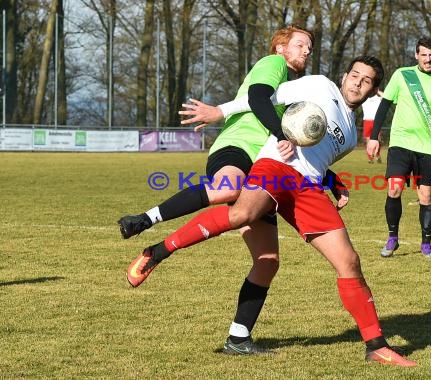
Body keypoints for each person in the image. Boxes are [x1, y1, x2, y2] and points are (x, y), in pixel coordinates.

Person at [125, 56, 417, 367]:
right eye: (354, 75)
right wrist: (221, 112)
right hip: (274, 166)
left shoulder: (349, 135)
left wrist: (333, 181)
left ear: (373, 90)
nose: (357, 82)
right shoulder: (318, 84)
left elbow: (315, 157)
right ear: (345, 75)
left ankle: (376, 345)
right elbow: (260, 98)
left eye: (366, 80)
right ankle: (159, 250)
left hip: (308, 188)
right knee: (242, 214)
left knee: (348, 260)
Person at [119, 25, 314, 355]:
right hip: (237, 148)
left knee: (267, 261)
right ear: (281, 48)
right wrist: (279, 134)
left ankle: (238, 338)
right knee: (228, 188)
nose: (307, 51)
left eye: (310, 47)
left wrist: (221, 111)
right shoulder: (273, 63)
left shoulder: (294, 86)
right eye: (300, 44)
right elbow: (254, 97)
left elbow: (246, 101)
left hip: (264, 168)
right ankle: (144, 219)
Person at [367, 37, 431, 259]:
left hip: (429, 147)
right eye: (423, 55)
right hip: (401, 143)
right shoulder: (403, 75)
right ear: (416, 55)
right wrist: (374, 137)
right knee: (394, 189)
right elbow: (384, 105)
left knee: (426, 198)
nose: (428, 59)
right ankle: (392, 238)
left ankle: (426, 244)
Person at [361, 89, 384, 163]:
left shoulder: (378, 99)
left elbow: (385, 96)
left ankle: (377, 155)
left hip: (376, 121)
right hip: (367, 121)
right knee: (368, 141)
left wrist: (377, 90)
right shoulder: (364, 99)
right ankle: (370, 158)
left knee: (378, 139)